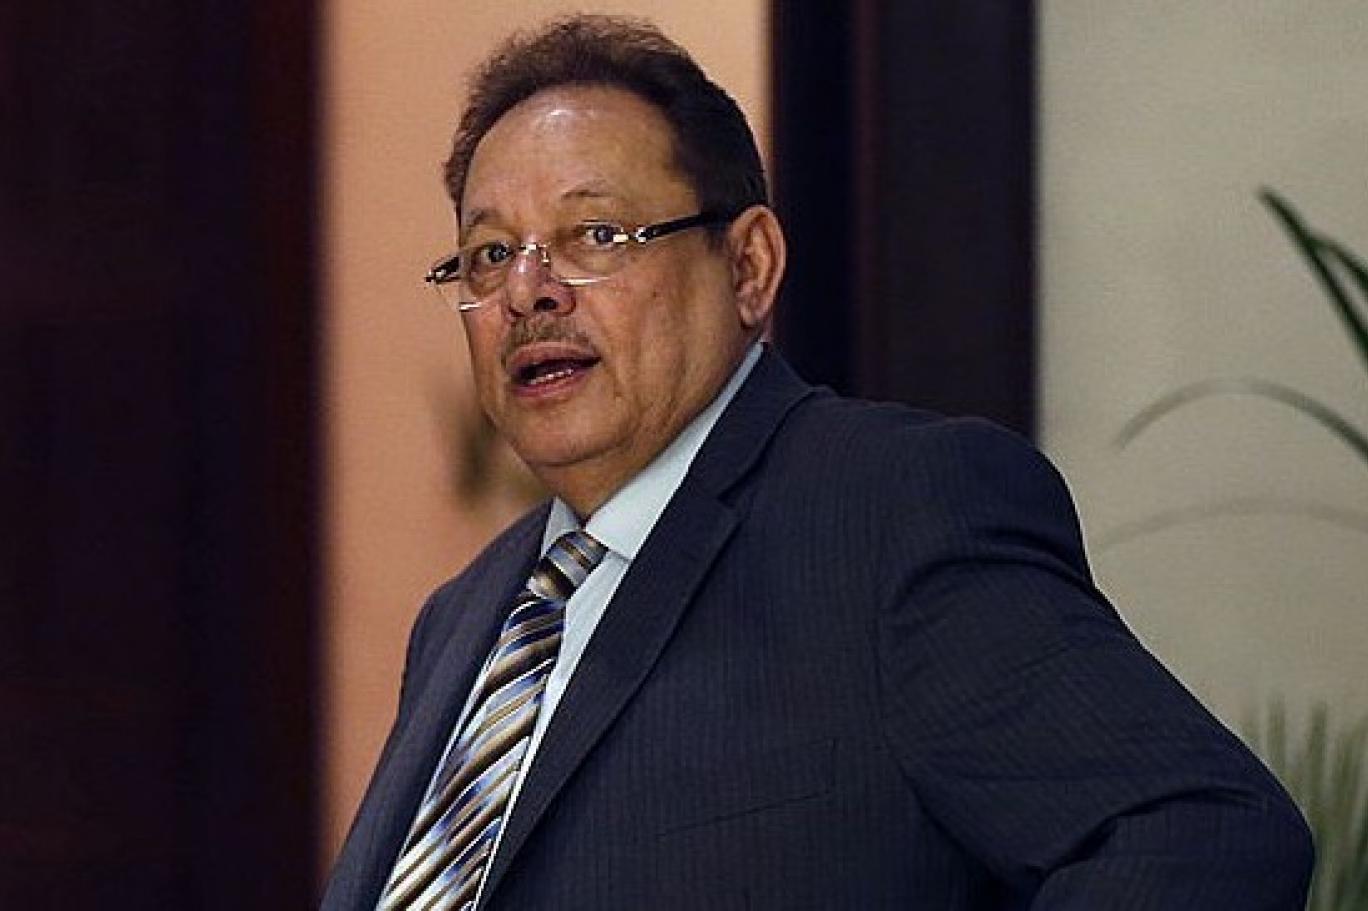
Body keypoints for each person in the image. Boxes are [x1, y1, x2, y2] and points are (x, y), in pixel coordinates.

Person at [323, 14, 1313, 911]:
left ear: (748, 266)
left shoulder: (889, 513)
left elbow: (1200, 836)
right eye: (491, 253)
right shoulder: (467, 614)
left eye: (596, 234)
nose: (529, 291)